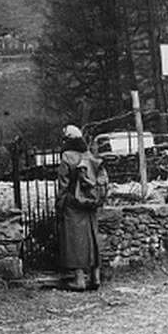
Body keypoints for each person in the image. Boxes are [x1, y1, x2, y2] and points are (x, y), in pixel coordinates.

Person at [55, 125, 101, 291]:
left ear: (67, 138)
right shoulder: (89, 154)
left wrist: (60, 204)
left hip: (73, 203)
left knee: (75, 240)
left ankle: (79, 280)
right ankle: (95, 277)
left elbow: (63, 184)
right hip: (90, 202)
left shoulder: (67, 156)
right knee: (92, 238)